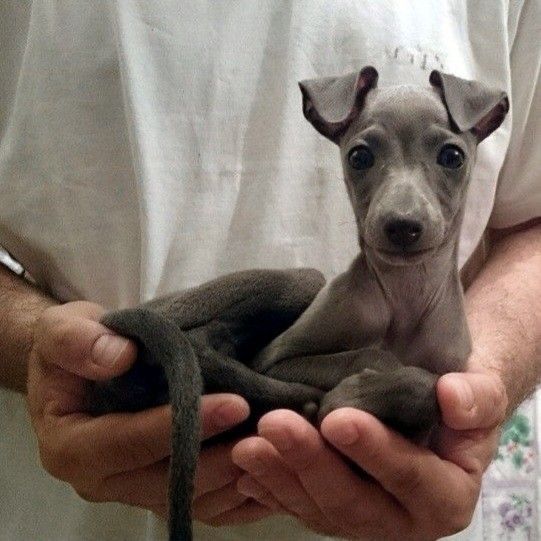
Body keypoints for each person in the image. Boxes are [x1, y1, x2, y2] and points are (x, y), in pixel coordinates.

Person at [0, 1, 540, 539]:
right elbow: (280, 363)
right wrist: (43, 352)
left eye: (447, 157)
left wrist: (479, 388)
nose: (401, 209)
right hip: (82, 502)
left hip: (405, 519)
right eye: (362, 158)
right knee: (301, 289)